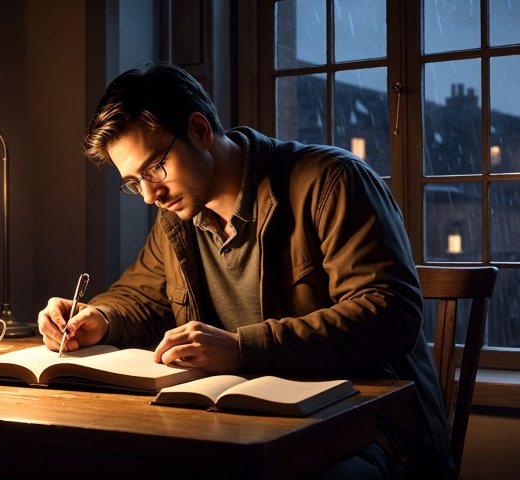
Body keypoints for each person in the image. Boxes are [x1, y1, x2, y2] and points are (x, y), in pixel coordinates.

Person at [37, 62, 454, 479]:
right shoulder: (180, 218)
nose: (149, 195)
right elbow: (140, 297)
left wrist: (242, 347)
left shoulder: (331, 181)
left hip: (367, 434)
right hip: (242, 429)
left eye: (153, 169)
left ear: (200, 130)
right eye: (133, 182)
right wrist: (100, 318)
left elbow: (389, 314)